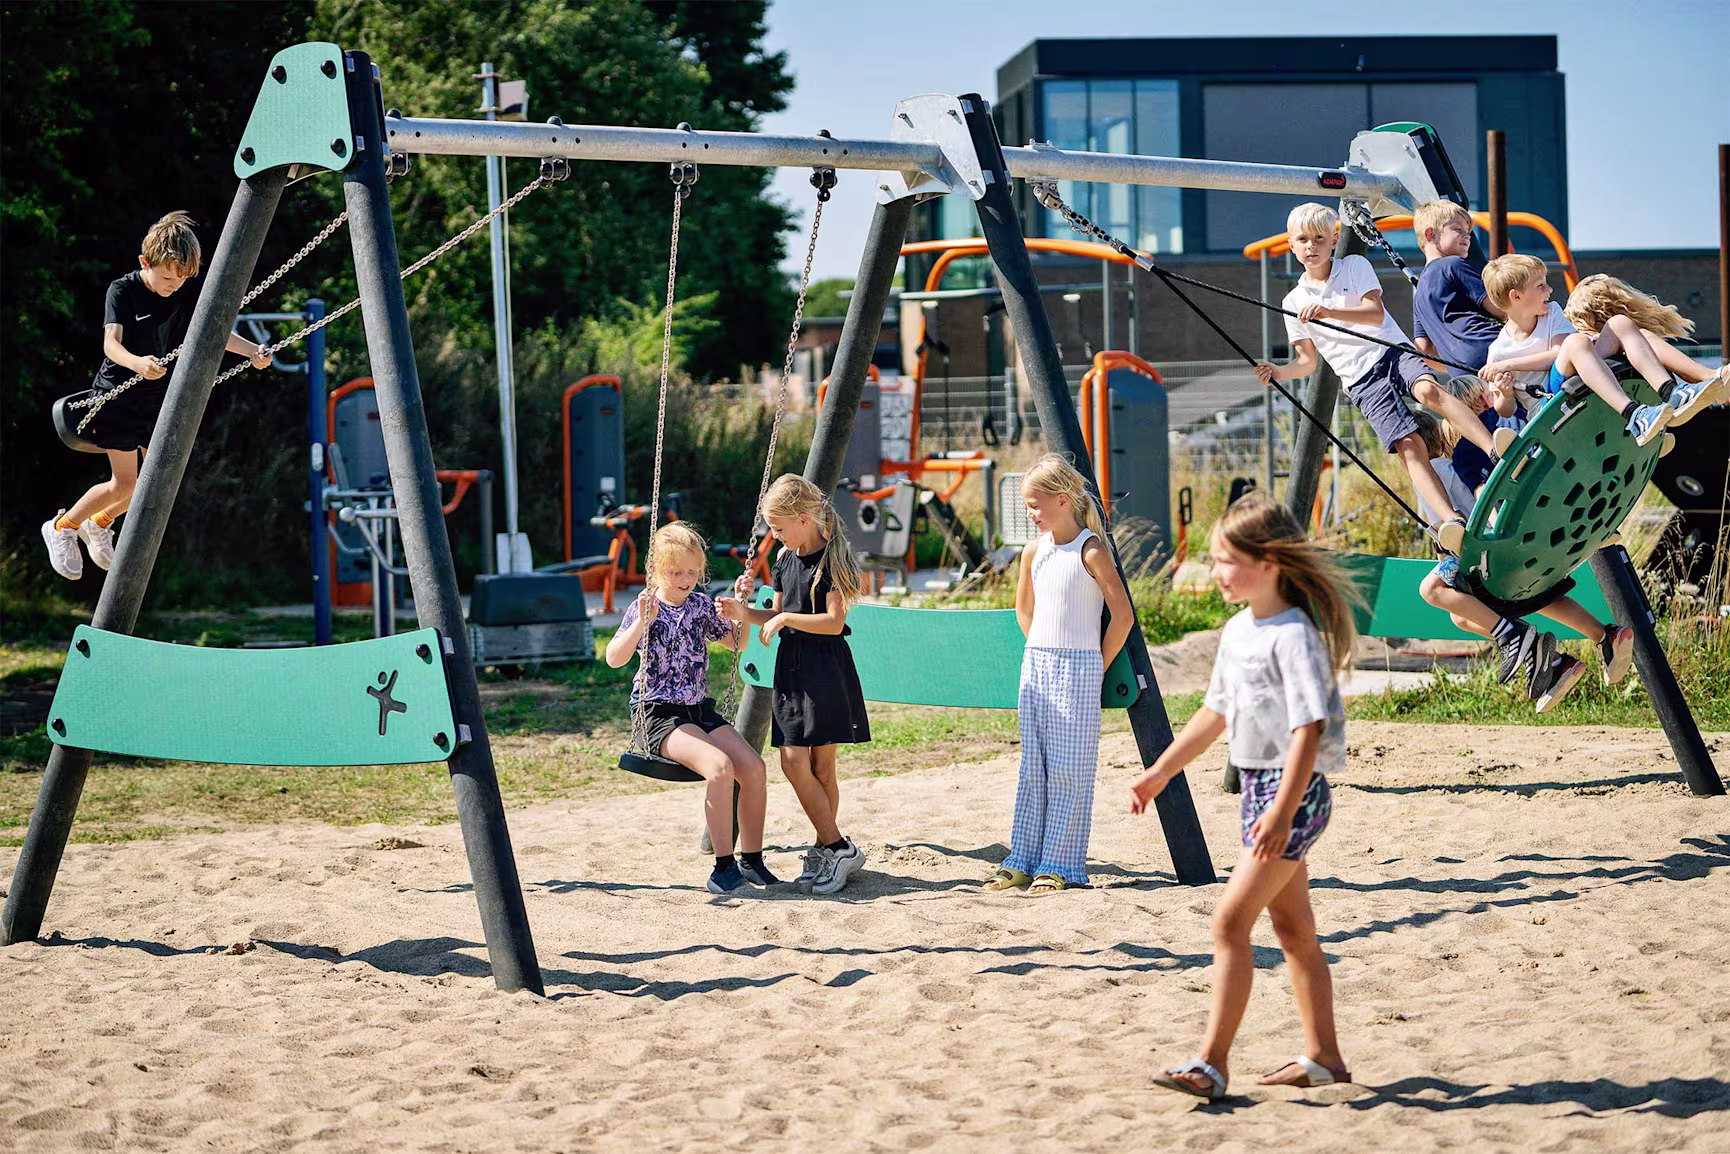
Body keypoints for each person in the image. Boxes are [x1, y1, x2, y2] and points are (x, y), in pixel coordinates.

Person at [1129, 492, 1353, 1101]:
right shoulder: (1237, 630)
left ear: (1269, 563)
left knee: (1229, 921)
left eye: (1226, 559)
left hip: (1294, 794)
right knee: (1293, 929)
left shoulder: (1294, 635)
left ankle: (1210, 1063)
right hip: (1258, 789)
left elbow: (1308, 727)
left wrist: (1283, 811)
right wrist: (1159, 773)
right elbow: (1214, 714)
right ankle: (1325, 1056)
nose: (1216, 570)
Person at [1254, 203, 1505, 555]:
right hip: (1359, 379)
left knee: (1428, 390)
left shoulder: (1354, 266)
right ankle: (1450, 521)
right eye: (1303, 240)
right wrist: (1279, 372)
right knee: (1409, 446)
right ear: (1293, 247)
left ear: (1334, 240)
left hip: (1389, 349)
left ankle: (1494, 448)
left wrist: (1329, 311)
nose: (1311, 246)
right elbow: (1307, 361)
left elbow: (1373, 314)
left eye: (1320, 239)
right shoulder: (1293, 301)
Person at [42, 211, 272, 581]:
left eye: (181, 280)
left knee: (155, 484)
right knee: (126, 483)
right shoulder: (123, 290)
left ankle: (99, 523)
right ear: (144, 263)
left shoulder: (183, 294)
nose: (173, 286)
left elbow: (214, 334)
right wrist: (137, 364)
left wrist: (252, 352)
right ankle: (62, 528)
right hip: (118, 396)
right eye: (166, 277)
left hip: (156, 399)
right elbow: (110, 344)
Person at [979, 454, 1134, 896]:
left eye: (1035, 504)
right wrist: (1040, 648)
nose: (1030, 513)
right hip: (1038, 666)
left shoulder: (1091, 551)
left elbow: (1121, 617)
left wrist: (1093, 667)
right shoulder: (1034, 551)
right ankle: (1022, 858)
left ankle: (1061, 862)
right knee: (1034, 768)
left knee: (1070, 770)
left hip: (1079, 668)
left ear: (1063, 501)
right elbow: (1023, 609)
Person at [720, 475, 871, 896]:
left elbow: (834, 622)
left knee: (823, 767)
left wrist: (785, 620)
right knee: (792, 761)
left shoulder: (832, 560)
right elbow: (775, 617)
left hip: (825, 669)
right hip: (793, 669)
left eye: (780, 527)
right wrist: (741, 611)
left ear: (803, 519)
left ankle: (828, 849)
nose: (775, 535)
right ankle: (838, 847)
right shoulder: (786, 558)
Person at [607, 523, 776, 895]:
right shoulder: (644, 605)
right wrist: (640, 624)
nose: (685, 579)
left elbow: (737, 644)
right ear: (656, 570)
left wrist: (740, 610)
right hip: (657, 714)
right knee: (720, 768)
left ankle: (752, 858)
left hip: (698, 708)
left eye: (692, 572)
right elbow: (614, 658)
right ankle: (722, 867)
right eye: (675, 572)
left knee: (754, 768)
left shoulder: (700, 605)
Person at [1409, 411, 1617, 706]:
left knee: (1431, 590)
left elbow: (1462, 516)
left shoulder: (1436, 471)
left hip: (1482, 548)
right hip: (1490, 546)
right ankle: (1561, 657)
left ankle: (1521, 637)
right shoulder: (1439, 468)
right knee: (1465, 615)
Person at [1478, 255, 1682, 446]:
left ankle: (1671, 392)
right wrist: (1505, 394)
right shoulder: (1498, 352)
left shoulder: (1552, 313)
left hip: (1574, 378)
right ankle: (1634, 415)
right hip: (1550, 408)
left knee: (1619, 323)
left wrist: (1510, 364)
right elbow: (1505, 410)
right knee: (1576, 342)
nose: (1549, 290)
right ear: (1516, 297)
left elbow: (1559, 353)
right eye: (1540, 286)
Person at [1560, 273, 1730, 426]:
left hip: (1583, 406)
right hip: (1569, 397)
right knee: (1631, 331)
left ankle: (1706, 382)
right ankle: (1707, 378)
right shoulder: (1572, 338)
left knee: (1642, 338)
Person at [1409, 199, 1504, 372]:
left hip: (1462, 373)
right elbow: (1500, 308)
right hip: (1490, 347)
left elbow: (1423, 350)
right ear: (1431, 235)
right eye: (1458, 230)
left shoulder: (1419, 293)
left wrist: (1459, 367)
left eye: (1468, 232)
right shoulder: (1453, 265)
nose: (1466, 236)